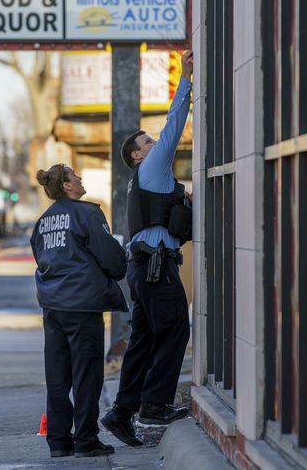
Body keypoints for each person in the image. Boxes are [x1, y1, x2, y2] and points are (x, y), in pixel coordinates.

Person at [100, 50, 194, 447]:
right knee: (175, 329)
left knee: (144, 340)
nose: (155, 143)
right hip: (156, 269)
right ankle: (154, 404)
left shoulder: (152, 181)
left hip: (145, 269)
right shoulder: (151, 168)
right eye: (147, 142)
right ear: (137, 155)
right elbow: (174, 126)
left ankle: (122, 412)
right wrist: (186, 79)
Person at [30, 164, 128, 458]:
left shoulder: (43, 221)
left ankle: (59, 442)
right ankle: (86, 440)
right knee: (87, 375)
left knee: (58, 377)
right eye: (76, 176)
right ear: (67, 186)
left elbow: (40, 256)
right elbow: (110, 257)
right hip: (83, 305)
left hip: (53, 306)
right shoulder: (87, 214)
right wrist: (120, 263)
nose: (80, 179)